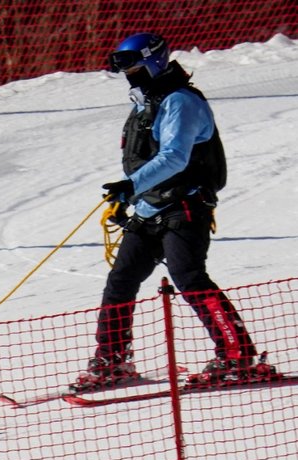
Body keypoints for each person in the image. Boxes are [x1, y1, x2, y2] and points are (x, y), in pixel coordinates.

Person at [75, 32, 271, 390]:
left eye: (134, 66)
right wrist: (126, 197)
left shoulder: (181, 101)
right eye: (125, 68)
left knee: (189, 277)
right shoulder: (144, 104)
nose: (129, 74)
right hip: (150, 208)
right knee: (121, 280)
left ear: (153, 61)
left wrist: (131, 186)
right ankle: (111, 360)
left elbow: (175, 157)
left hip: (186, 204)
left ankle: (238, 355)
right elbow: (143, 160)